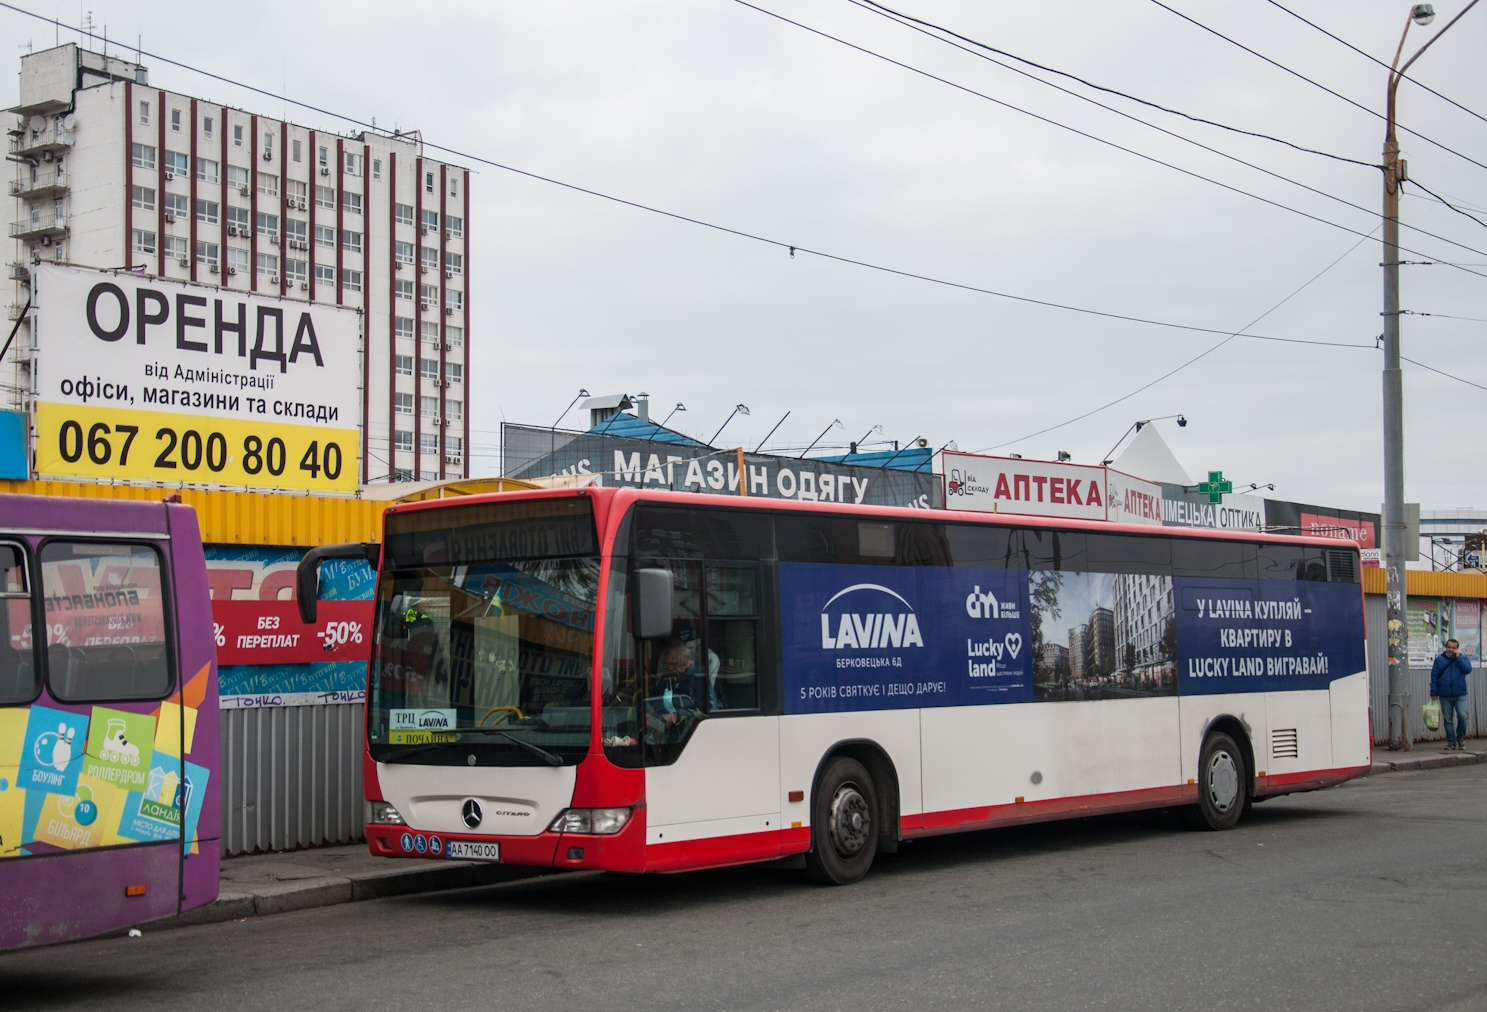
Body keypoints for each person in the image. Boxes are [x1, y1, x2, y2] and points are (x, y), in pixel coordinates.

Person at [1430, 638, 1473, 750]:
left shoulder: (1462, 658)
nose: (1451, 649)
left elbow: (1468, 670)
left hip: (1460, 694)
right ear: (1446, 647)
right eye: (1449, 647)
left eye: (1453, 648)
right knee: (1448, 720)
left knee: (1463, 717)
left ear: (1457, 649)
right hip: (1445, 695)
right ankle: (1451, 742)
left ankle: (1461, 738)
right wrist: (1433, 693)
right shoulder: (1439, 660)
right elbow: (1434, 677)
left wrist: (1458, 658)